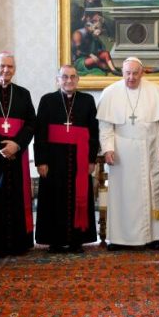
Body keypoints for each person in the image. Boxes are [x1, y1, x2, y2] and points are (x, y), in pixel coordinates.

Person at [96, 57, 159, 249]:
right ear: (122, 72)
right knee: (123, 196)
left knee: (152, 194)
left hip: (151, 150)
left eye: (135, 73)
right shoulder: (110, 92)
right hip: (122, 154)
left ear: (142, 72)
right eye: (127, 73)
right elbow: (105, 126)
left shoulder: (155, 90)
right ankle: (120, 239)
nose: (131, 77)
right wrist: (108, 149)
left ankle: (153, 238)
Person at [34, 65, 99, 252]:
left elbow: (93, 132)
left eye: (72, 77)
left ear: (78, 79)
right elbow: (41, 132)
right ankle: (54, 240)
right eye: (64, 77)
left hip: (79, 158)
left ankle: (77, 240)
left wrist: (91, 160)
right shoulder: (47, 100)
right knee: (53, 198)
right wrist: (41, 161)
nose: (69, 80)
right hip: (54, 160)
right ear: (57, 80)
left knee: (78, 196)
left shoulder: (87, 100)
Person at [0, 52, 35, 257]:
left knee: (17, 195)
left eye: (10, 67)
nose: (6, 70)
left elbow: (31, 123)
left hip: (17, 153)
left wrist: (17, 145)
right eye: (2, 66)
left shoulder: (23, 93)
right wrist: (2, 146)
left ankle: (18, 243)